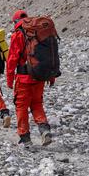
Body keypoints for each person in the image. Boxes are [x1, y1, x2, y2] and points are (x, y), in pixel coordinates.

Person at [7, 10, 54, 146]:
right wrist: (51, 76)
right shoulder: (39, 31)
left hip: (23, 78)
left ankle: (25, 137)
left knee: (21, 106)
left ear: (15, 22)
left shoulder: (18, 35)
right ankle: (44, 129)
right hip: (40, 76)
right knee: (37, 103)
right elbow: (50, 55)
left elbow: (12, 59)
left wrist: (10, 80)